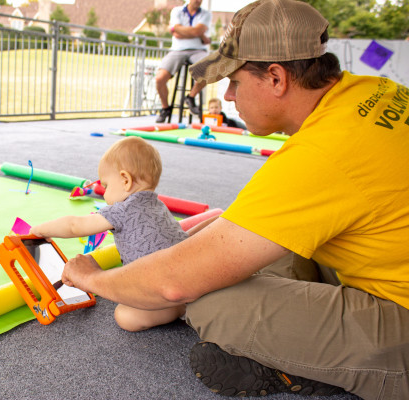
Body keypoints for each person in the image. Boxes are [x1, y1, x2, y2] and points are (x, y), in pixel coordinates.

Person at [59, 0, 409, 398]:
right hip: (389, 268)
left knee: (213, 299)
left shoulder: (323, 154)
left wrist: (93, 278)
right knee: (243, 247)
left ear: (276, 77)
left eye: (235, 82)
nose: (227, 97)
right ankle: (300, 344)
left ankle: (310, 363)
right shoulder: (376, 91)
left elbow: (174, 286)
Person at [29, 136, 188, 332]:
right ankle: (185, 301)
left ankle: (178, 307)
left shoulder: (122, 209)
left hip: (160, 288)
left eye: (106, 186)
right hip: (186, 275)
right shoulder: (158, 205)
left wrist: (40, 229)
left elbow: (74, 226)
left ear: (125, 180)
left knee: (124, 315)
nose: (104, 194)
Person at [155, 0, 211, 123]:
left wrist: (179, 29)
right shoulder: (177, 11)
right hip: (177, 50)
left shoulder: (206, 14)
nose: (198, 1)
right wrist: (198, 34)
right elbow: (179, 34)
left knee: (209, 69)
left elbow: (182, 31)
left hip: (198, 50)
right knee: (159, 78)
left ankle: (190, 97)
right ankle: (165, 108)